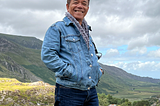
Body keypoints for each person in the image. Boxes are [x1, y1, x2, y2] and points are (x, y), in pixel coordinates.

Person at [41, 0, 104, 105]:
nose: (80, 6)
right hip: (69, 91)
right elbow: (48, 56)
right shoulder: (57, 28)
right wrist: (70, 72)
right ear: (67, 6)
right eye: (76, 2)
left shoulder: (86, 31)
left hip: (91, 90)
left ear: (87, 8)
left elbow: (89, 56)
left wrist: (98, 71)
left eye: (84, 4)